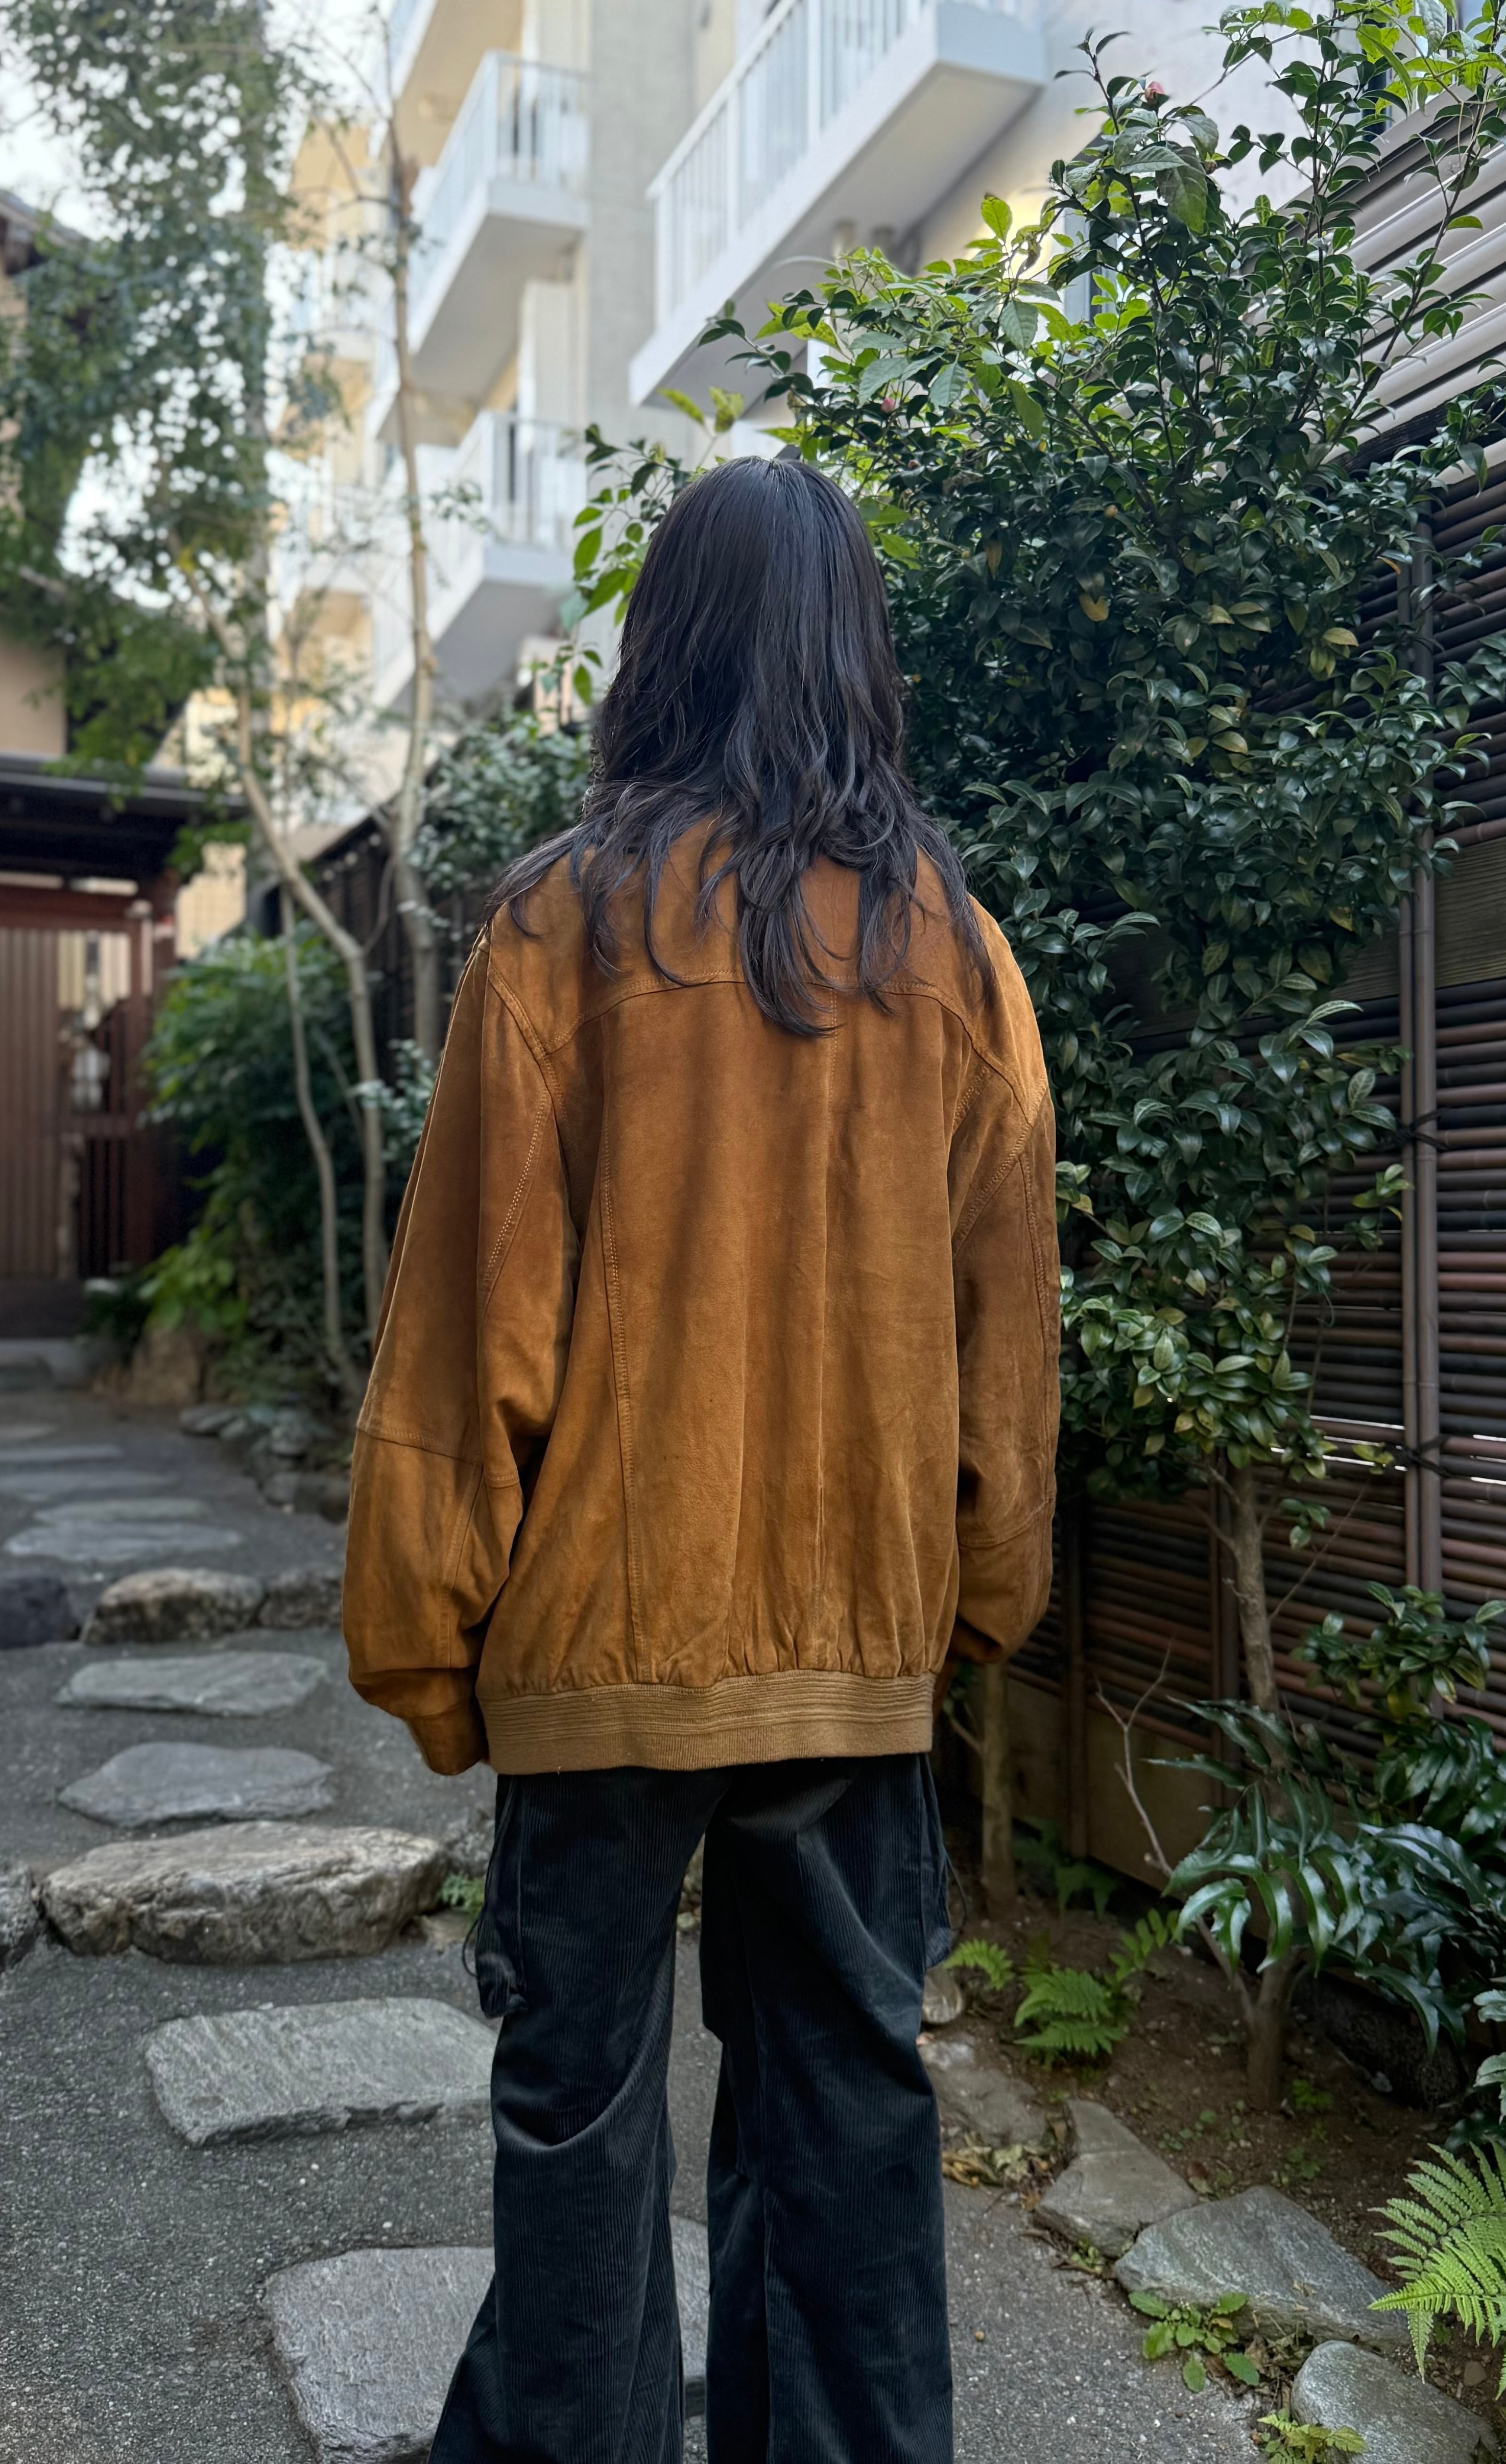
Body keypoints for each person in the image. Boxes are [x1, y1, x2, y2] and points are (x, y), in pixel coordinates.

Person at [343, 452, 1060, 2464]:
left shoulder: (555, 927)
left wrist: (427, 1648)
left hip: (596, 1642)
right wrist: (969, 1601)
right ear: (856, 655)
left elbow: (466, 1326)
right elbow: (1006, 1337)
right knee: (845, 2111)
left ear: (661, 645)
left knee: (576, 2116)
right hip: (850, 1647)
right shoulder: (956, 951)